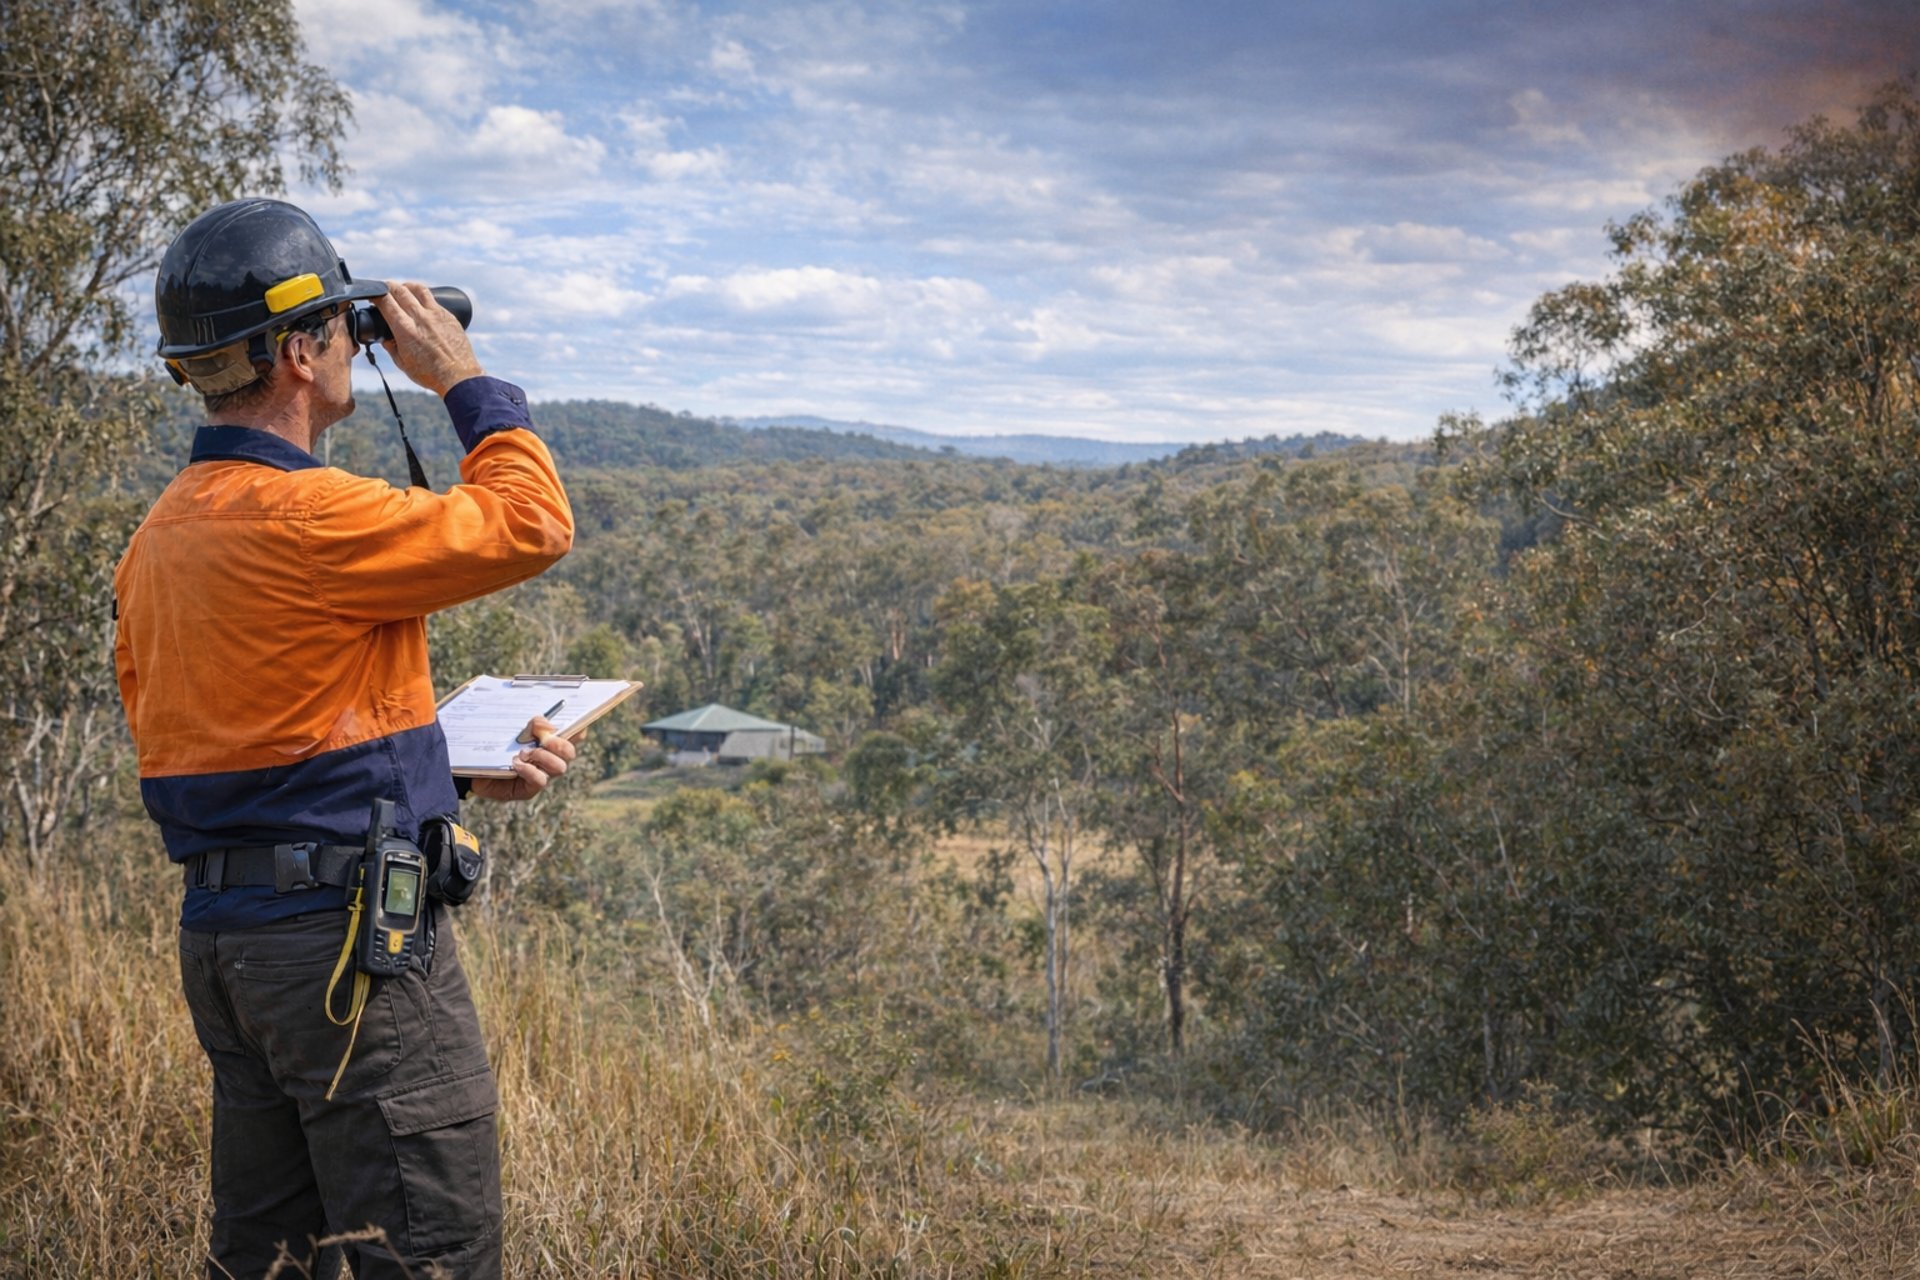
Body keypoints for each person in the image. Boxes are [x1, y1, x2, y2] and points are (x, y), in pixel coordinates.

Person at [114, 197, 576, 1278]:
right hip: (346, 951)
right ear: (297, 348)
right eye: (338, 329)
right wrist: (461, 375)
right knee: (426, 1249)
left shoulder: (159, 539)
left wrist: (435, 766)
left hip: (232, 949)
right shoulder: (316, 515)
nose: (351, 355)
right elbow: (531, 519)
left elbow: (227, 738)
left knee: (273, 1255)